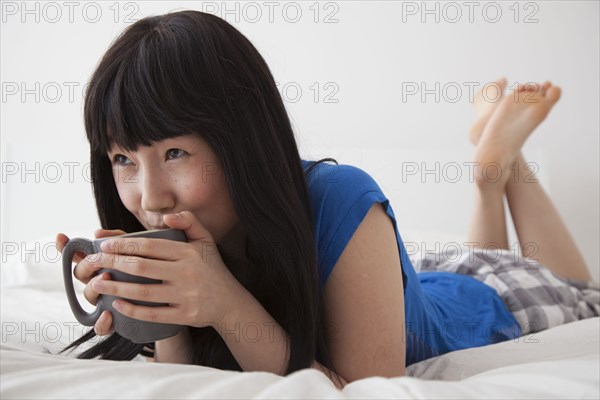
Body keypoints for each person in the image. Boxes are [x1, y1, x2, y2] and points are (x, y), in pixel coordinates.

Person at [56, 10, 599, 389]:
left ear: (241, 138)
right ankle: (491, 165)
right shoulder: (197, 228)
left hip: (486, 304)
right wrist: (157, 312)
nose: (149, 197)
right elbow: (191, 380)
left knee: (577, 290)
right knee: (468, 262)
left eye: (174, 152)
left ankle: (499, 168)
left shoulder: (340, 197)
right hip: (411, 282)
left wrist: (223, 300)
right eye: (124, 159)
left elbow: (365, 390)